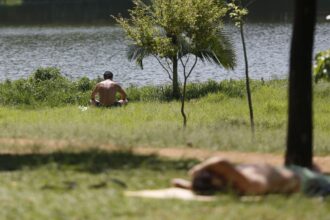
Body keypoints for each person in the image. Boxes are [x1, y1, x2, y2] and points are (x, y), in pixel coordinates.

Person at [172, 157, 330, 197]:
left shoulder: (233, 180)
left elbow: (176, 182)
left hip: (296, 172)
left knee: (315, 167)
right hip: (307, 181)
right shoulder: (248, 184)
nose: (214, 171)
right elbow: (220, 162)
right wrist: (198, 169)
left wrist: (190, 185)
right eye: (212, 174)